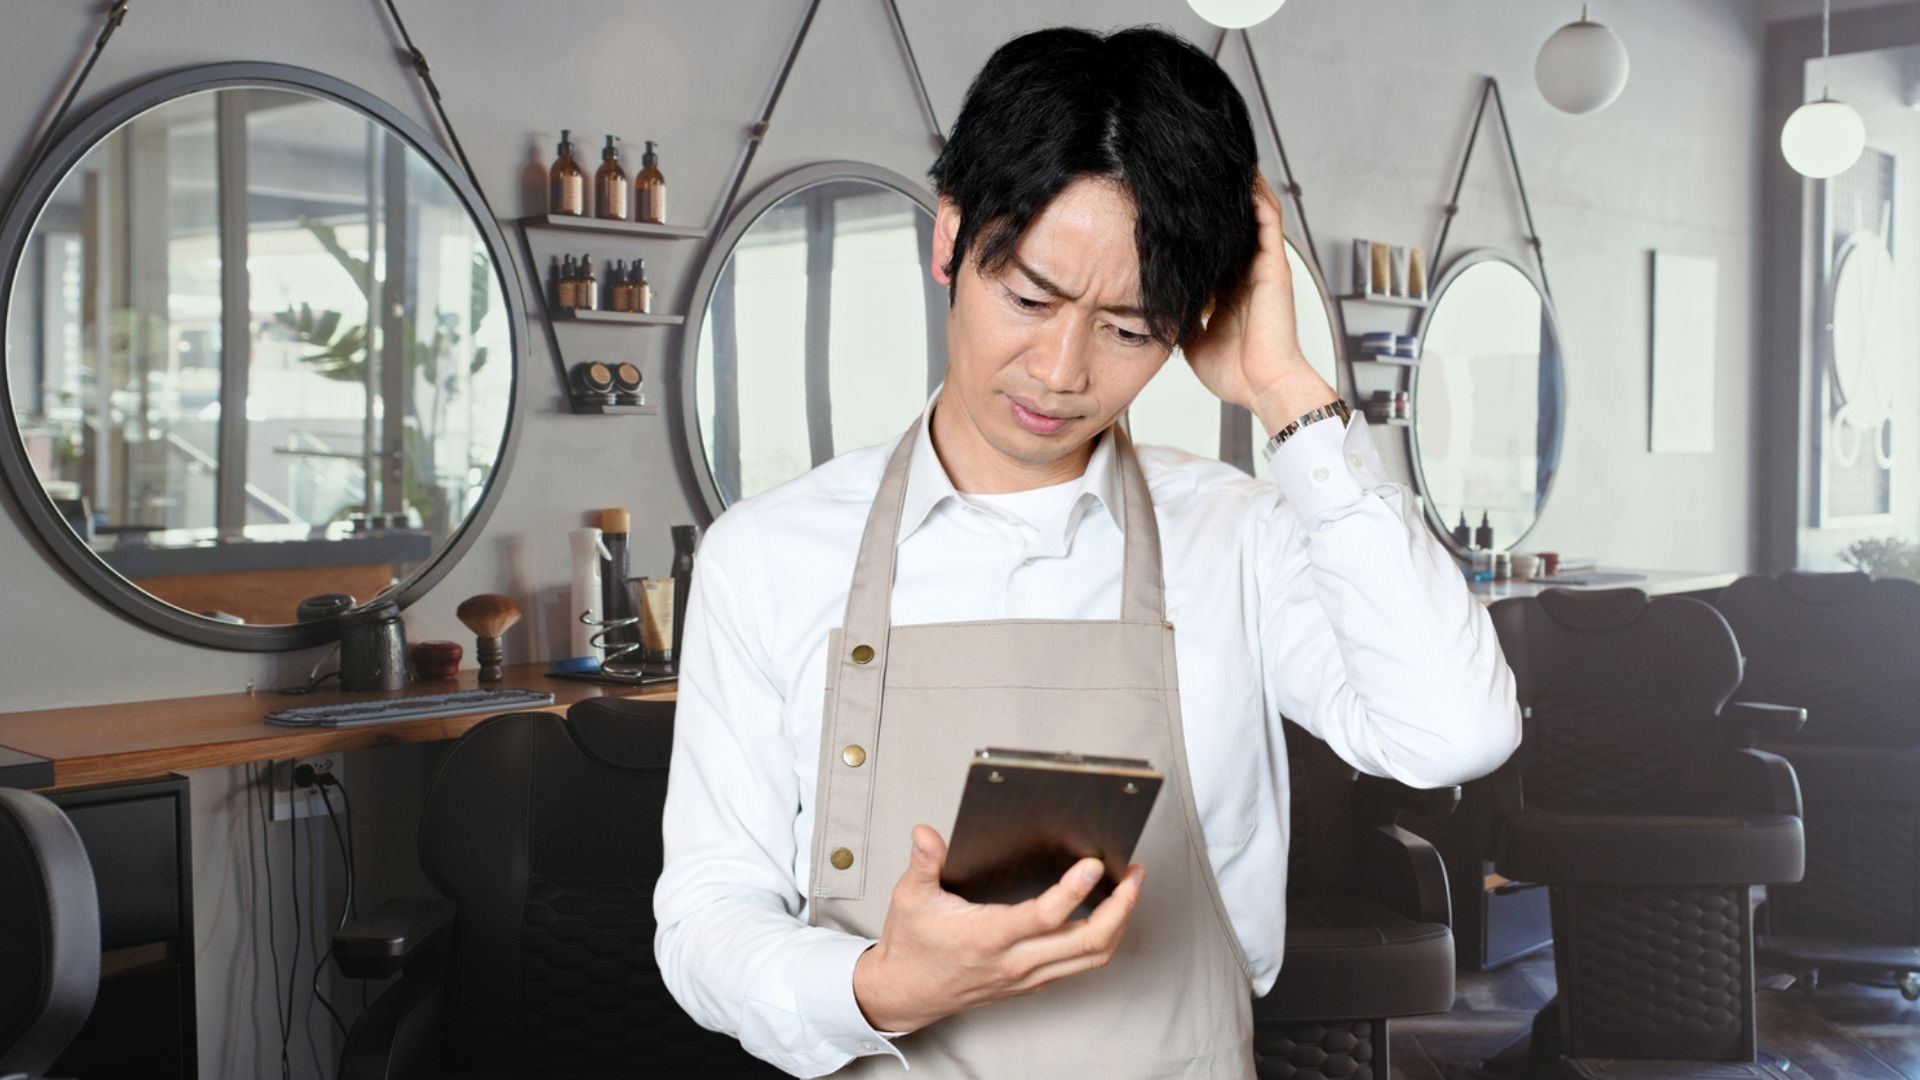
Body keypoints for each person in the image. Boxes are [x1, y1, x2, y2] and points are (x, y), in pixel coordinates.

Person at [655, 24, 1521, 1079]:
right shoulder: (770, 557)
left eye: (1130, 327)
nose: (1060, 371)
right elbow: (705, 918)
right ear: (948, 241)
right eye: (1029, 297)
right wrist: (881, 986)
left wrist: (1289, 390)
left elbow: (1451, 734)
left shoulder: (1235, 537)